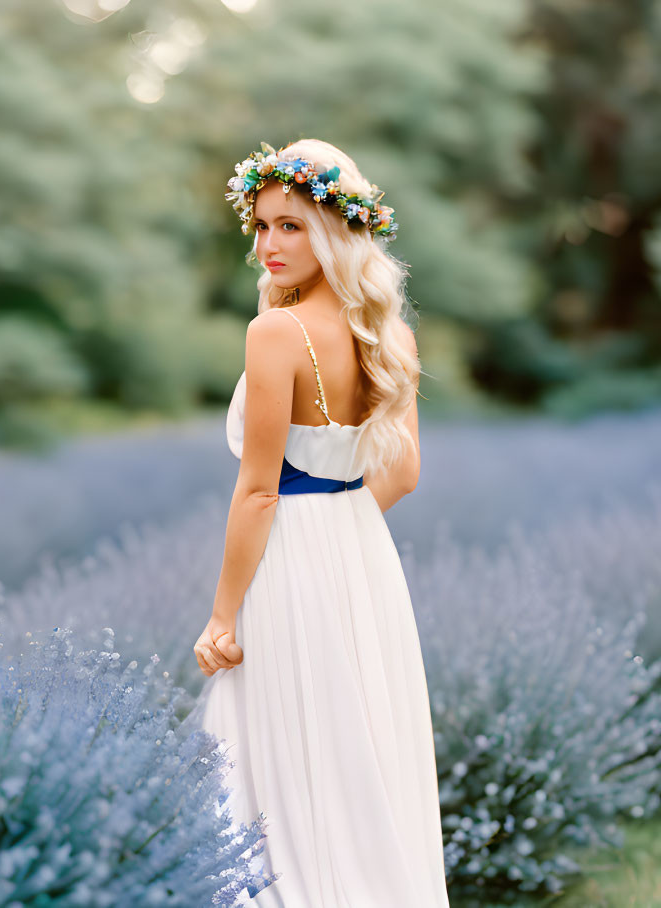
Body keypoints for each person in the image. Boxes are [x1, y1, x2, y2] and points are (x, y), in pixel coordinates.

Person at [184, 139, 451, 906]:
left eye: (291, 226)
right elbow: (403, 474)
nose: (268, 244)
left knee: (281, 746)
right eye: (261, 226)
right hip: (362, 554)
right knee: (359, 739)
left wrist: (222, 615)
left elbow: (258, 492)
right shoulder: (390, 336)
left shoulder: (275, 334)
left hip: (288, 559)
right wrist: (340, 529)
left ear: (336, 230)